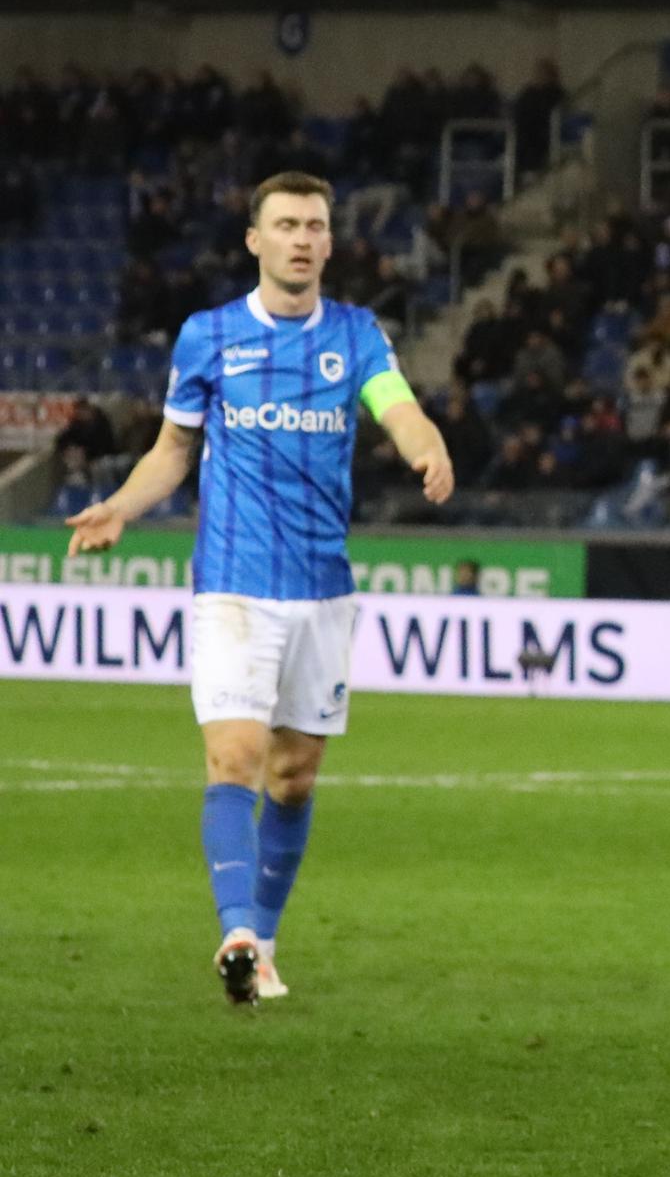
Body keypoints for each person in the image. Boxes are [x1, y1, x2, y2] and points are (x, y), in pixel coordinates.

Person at [66, 172, 456, 1004]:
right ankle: (236, 928)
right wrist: (124, 506)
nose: (303, 238)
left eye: (315, 225)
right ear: (255, 240)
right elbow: (173, 450)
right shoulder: (208, 337)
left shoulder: (355, 335)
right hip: (234, 584)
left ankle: (265, 944)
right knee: (235, 757)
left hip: (322, 588)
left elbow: (397, 405)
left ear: (329, 241)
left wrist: (427, 447)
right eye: (286, 224)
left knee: (294, 776)